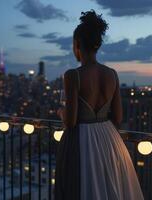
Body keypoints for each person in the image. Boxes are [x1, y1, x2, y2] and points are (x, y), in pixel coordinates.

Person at [55, 10, 144, 200]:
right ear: (97, 45)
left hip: (81, 141)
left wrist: (61, 112)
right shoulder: (112, 74)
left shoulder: (73, 75)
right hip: (108, 140)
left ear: (77, 44)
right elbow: (118, 117)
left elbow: (70, 122)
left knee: (80, 188)